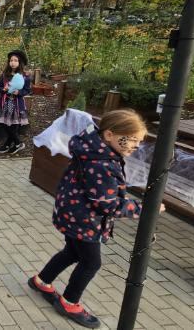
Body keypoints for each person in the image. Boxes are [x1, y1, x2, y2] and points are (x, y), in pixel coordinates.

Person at [28, 109, 164, 329]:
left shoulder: (94, 150)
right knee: (91, 262)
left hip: (74, 214)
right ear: (109, 135)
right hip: (84, 221)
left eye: (139, 142)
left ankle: (41, 281)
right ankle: (69, 302)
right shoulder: (101, 162)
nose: (136, 146)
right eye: (132, 140)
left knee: (71, 253)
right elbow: (108, 204)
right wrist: (143, 209)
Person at [0, 50, 31, 154]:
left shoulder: (24, 76)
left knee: (13, 126)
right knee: (4, 124)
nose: (12, 62)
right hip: (5, 103)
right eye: (11, 60)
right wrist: (3, 89)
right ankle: (18, 143)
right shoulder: (5, 74)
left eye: (15, 60)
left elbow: (27, 90)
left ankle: (7, 145)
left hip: (16, 105)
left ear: (20, 62)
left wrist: (18, 92)